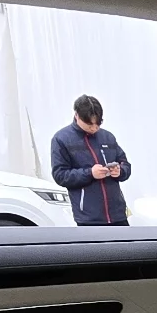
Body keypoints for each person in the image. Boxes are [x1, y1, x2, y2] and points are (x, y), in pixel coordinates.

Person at [50, 95, 132, 226]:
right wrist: (90, 173)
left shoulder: (108, 137)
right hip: (89, 218)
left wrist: (120, 171)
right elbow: (60, 175)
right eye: (89, 124)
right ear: (77, 115)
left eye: (98, 123)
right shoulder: (61, 139)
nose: (94, 128)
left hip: (118, 214)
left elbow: (125, 164)